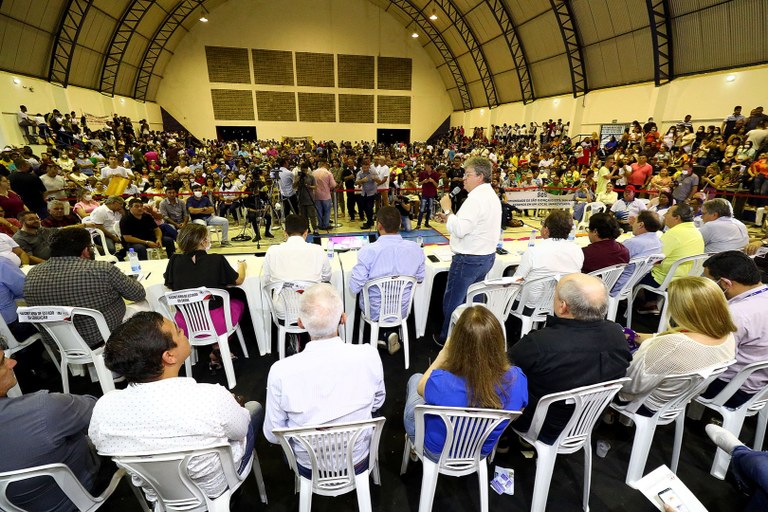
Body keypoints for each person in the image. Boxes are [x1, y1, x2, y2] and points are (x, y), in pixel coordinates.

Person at [88, 312, 262, 500]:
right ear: (169, 356)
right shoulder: (210, 397)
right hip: (216, 487)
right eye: (178, 331)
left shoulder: (104, 408)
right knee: (253, 410)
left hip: (158, 493)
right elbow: (240, 432)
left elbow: (99, 443)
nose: (183, 331)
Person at [263, 284, 385, 473]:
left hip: (308, 466)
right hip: (358, 459)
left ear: (300, 323)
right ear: (343, 319)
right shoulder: (369, 355)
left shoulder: (280, 372)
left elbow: (273, 434)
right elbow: (378, 402)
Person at [509, 273, 631, 443]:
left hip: (538, 425)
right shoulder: (617, 335)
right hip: (588, 422)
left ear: (563, 306)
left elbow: (503, 371)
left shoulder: (539, 343)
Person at [403, 306, 527, 457]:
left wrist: (443, 353)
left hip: (437, 452)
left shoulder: (441, 382)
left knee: (415, 379)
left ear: (457, 344)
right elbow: (518, 412)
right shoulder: (517, 379)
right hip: (480, 452)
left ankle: (414, 448)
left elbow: (420, 387)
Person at [0, 351, 111, 512]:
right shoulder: (43, 409)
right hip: (81, 495)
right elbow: (99, 411)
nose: (12, 363)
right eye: (2, 362)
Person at [619, 277, 736, 412]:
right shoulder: (727, 336)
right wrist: (633, 335)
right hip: (677, 400)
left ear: (683, 310)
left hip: (644, 404)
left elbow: (630, 386)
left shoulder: (674, 345)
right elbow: (662, 340)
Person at [24, 228, 146, 348]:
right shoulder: (102, 269)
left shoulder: (33, 273)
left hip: (60, 344)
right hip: (103, 339)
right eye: (91, 247)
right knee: (144, 304)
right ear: (86, 251)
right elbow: (138, 294)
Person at [434, 157, 501, 344]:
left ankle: (447, 340)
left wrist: (448, 211)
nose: (463, 178)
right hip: (485, 257)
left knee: (454, 301)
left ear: (480, 176)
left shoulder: (475, 199)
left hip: (468, 260)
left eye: (468, 174)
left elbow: (461, 230)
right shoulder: (490, 195)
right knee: (474, 301)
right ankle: (471, 339)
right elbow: (471, 225)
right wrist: (450, 219)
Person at [163, 223, 246, 370]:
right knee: (238, 302)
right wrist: (242, 266)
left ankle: (215, 350)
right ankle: (219, 347)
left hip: (185, 324)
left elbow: (170, 284)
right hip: (217, 322)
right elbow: (238, 280)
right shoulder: (216, 259)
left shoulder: (174, 261)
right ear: (203, 241)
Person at [349, 206, 426, 354]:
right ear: (400, 224)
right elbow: (420, 279)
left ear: (379, 225)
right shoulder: (416, 249)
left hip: (374, 312)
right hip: (402, 310)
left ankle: (382, 335)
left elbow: (354, 287)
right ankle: (387, 333)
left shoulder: (368, 251)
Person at [700, 252, 768, 407]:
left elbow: (712, 358)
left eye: (709, 281)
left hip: (732, 389)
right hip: (762, 388)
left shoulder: (736, 314)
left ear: (725, 283)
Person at [512, 209, 584, 308]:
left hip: (528, 306)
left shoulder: (534, 251)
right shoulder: (577, 250)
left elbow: (515, 281)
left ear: (546, 230)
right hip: (560, 306)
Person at [639, 203, 705, 292]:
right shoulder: (696, 232)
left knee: (634, 272)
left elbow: (654, 259)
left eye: (668, 212)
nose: (664, 215)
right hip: (688, 278)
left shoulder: (674, 233)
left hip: (665, 280)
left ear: (677, 218)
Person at [261, 214, 331, 286]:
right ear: (306, 233)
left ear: (285, 233)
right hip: (312, 292)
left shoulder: (272, 251)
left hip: (282, 293)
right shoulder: (318, 250)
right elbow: (326, 277)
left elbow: (267, 279)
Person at [612, 211, 664, 294]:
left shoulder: (632, 243)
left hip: (615, 284)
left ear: (641, 224)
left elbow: (612, 261)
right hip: (632, 283)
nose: (632, 224)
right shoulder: (659, 243)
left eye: (635, 221)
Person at [312, 159, 336, 230]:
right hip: (326, 195)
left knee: (318, 211)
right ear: (325, 164)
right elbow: (333, 185)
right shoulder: (328, 173)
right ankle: (326, 224)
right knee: (327, 211)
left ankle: (320, 224)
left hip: (316, 195)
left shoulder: (314, 172)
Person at [416, 161, 441, 229]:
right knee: (422, 209)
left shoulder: (435, 174)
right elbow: (419, 183)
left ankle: (427, 222)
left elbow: (437, 185)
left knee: (429, 209)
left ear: (430, 166)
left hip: (431, 193)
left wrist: (432, 181)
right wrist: (424, 181)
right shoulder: (422, 173)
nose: (425, 167)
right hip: (425, 193)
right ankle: (418, 224)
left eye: (426, 165)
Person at [356, 157, 378, 229]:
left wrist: (375, 178)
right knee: (364, 207)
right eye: (364, 167)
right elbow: (356, 182)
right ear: (362, 167)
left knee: (369, 208)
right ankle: (370, 220)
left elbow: (379, 181)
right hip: (364, 193)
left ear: (369, 166)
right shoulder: (359, 173)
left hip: (371, 193)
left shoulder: (372, 172)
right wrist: (362, 181)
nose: (365, 169)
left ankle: (369, 222)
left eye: (367, 167)